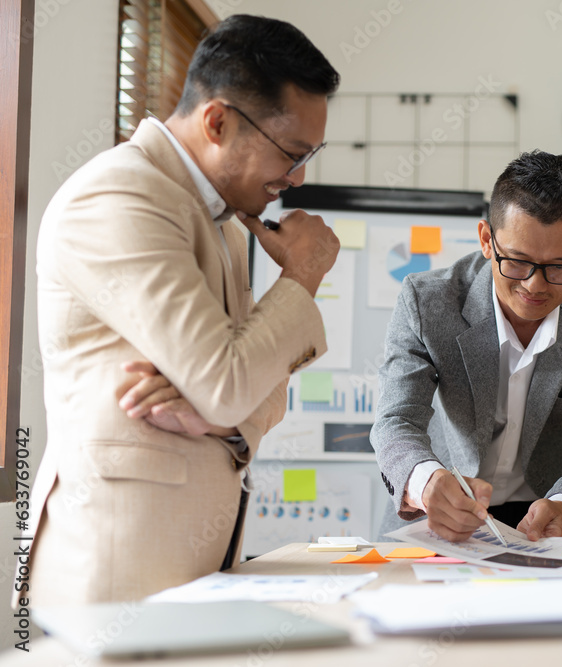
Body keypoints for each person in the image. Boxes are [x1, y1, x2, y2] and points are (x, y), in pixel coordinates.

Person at [27, 15, 341, 605]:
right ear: (218, 121)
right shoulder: (120, 195)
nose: (299, 177)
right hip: (111, 580)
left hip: (197, 574)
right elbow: (229, 380)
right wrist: (303, 273)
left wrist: (219, 422)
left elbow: (260, 392)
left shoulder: (221, 223)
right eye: (291, 153)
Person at [371, 151, 562, 542]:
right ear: (486, 240)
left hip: (557, 514)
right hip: (443, 504)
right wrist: (426, 482)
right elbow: (396, 420)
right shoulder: (427, 301)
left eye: (559, 266)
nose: (535, 285)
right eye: (516, 261)